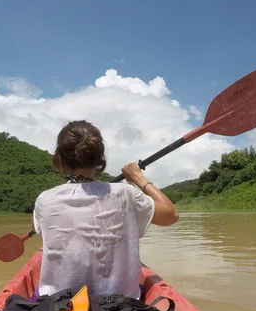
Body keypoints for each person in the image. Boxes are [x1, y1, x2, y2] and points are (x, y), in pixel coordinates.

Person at [32, 120, 179, 300]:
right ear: (99, 157)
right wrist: (138, 178)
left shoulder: (44, 199)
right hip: (117, 305)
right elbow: (171, 215)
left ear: (60, 159)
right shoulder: (126, 193)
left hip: (58, 304)